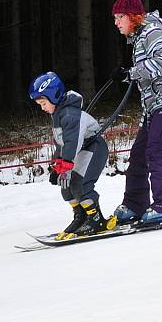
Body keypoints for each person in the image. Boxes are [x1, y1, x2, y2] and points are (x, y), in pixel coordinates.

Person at [110, 0, 162, 224]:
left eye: (120, 17)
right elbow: (151, 70)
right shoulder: (139, 37)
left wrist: (132, 72)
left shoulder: (152, 32)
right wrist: (128, 76)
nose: (116, 23)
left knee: (155, 152)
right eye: (115, 18)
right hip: (157, 104)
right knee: (138, 154)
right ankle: (135, 204)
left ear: (133, 17)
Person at [29, 71, 116, 239]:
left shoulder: (69, 115)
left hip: (94, 148)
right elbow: (61, 143)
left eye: (43, 102)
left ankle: (96, 220)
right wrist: (58, 167)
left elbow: (72, 142)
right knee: (66, 189)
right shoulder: (58, 115)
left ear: (54, 96)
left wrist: (66, 166)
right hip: (80, 151)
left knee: (81, 185)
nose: (42, 107)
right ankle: (81, 216)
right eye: (39, 104)